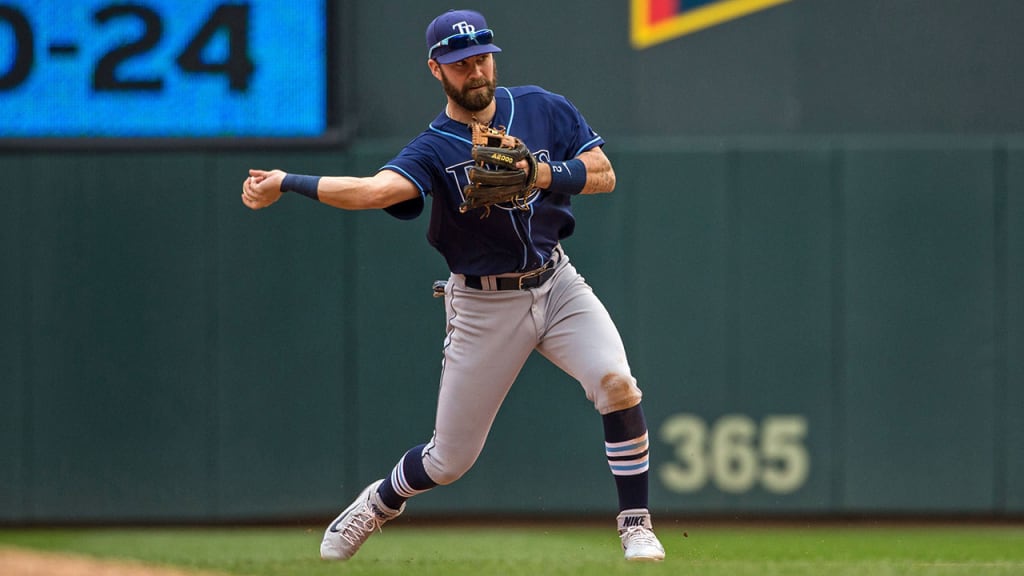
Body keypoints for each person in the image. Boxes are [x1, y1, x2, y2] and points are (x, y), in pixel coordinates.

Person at [241, 8, 666, 563]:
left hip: (557, 283)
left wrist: (540, 173)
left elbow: (603, 173)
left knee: (617, 383)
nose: (475, 70)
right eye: (460, 63)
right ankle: (380, 501)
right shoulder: (435, 146)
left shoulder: (538, 107)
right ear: (436, 70)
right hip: (484, 303)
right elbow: (373, 192)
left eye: (481, 57)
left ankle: (635, 522)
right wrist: (287, 182)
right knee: (449, 461)